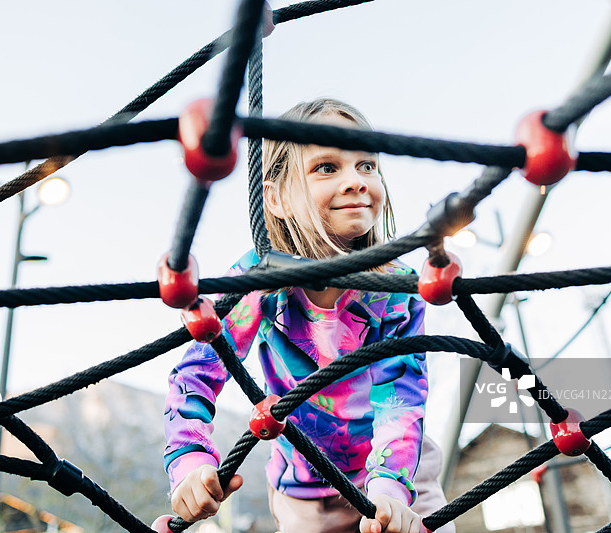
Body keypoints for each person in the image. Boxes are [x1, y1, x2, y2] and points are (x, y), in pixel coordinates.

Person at [163, 98, 454, 533]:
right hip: (303, 490)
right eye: (326, 167)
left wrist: (390, 490)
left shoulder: (395, 288)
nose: (356, 181)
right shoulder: (256, 282)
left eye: (367, 166)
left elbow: (400, 399)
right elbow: (196, 374)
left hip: (396, 474)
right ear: (276, 198)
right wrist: (190, 461)